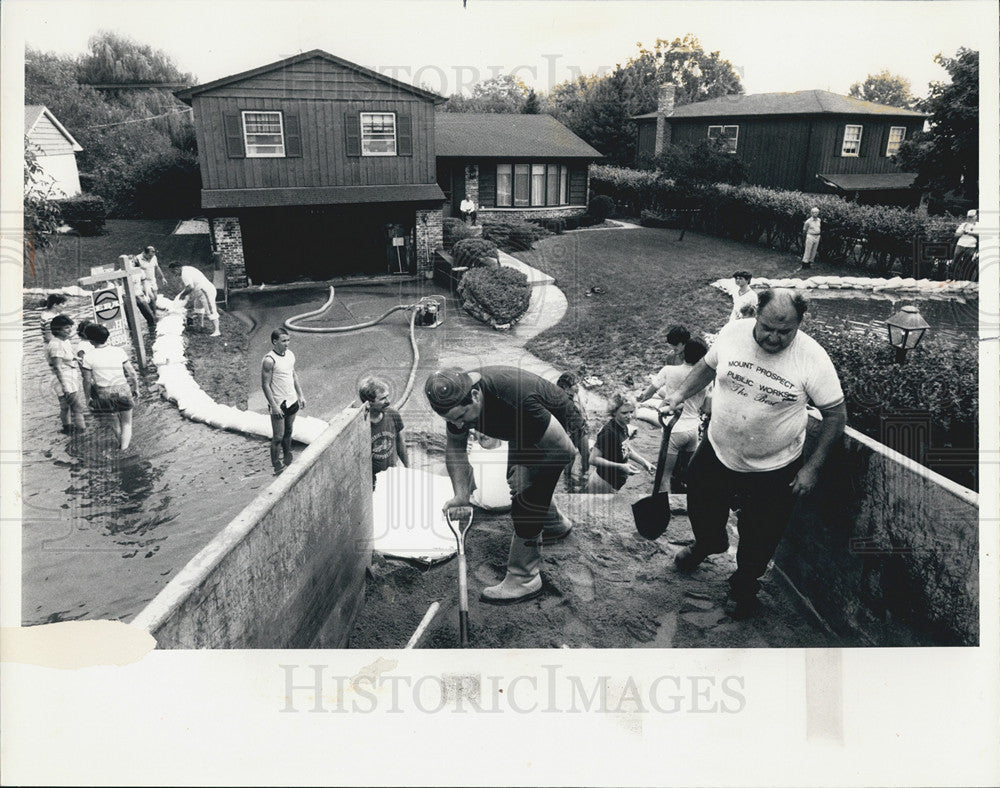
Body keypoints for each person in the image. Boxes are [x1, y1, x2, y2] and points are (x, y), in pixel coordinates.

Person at [660, 288, 846, 619]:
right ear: (756, 316)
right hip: (718, 450)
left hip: (775, 467)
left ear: (799, 324)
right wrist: (678, 395)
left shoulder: (813, 358)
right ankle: (708, 544)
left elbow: (836, 415)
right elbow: (706, 366)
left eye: (784, 331)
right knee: (701, 505)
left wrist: (813, 468)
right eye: (767, 328)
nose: (774, 338)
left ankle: (744, 584)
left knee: (760, 534)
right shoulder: (733, 333)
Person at [424, 366, 577, 604]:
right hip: (522, 427)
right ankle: (555, 524)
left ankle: (524, 579)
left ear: (475, 396)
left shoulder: (519, 403)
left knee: (526, 495)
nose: (459, 425)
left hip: (558, 427)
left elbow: (565, 451)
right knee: (514, 479)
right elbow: (455, 448)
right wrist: (461, 496)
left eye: (462, 417)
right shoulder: (457, 398)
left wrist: (528, 471)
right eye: (451, 420)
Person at [649, 339, 711, 496]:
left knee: (665, 477)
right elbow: (707, 408)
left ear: (683, 353)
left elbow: (653, 390)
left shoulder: (669, 370)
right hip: (693, 430)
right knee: (688, 475)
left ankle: (665, 511)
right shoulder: (705, 378)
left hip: (674, 428)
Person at [80, 324, 140, 451]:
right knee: (127, 423)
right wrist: (136, 388)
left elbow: (86, 380)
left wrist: (87, 398)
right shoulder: (118, 351)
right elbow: (132, 373)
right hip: (122, 389)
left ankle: (121, 446)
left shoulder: (88, 357)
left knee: (114, 423)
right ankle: (124, 449)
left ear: (90, 341)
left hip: (103, 393)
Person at [587, 392, 654, 493]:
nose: (629, 416)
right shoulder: (608, 432)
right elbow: (593, 459)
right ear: (614, 412)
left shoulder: (624, 426)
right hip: (603, 483)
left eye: (631, 412)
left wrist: (644, 462)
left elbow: (626, 449)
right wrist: (621, 466)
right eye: (624, 413)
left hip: (613, 482)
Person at [261, 328, 305, 475]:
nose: (287, 344)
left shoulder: (290, 355)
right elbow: (265, 384)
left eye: (288, 340)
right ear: (275, 342)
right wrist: (274, 406)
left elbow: (294, 376)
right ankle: (276, 466)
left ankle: (287, 458)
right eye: (284, 341)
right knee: (278, 437)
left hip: (292, 400)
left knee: (289, 431)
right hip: (279, 404)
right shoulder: (269, 360)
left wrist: (300, 395)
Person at [358, 376, 409, 489]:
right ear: (369, 403)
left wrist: (407, 467)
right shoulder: (361, 425)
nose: (388, 401)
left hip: (391, 473)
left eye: (387, 397)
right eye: (382, 399)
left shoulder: (393, 414)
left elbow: (401, 443)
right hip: (372, 481)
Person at [46, 315, 87, 433]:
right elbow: (57, 367)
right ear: (58, 330)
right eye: (66, 328)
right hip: (64, 379)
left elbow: (65, 357)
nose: (70, 330)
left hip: (69, 376)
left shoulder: (64, 341)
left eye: (70, 327)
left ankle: (68, 429)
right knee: (77, 407)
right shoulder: (56, 345)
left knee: (66, 407)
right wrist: (65, 386)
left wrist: (75, 358)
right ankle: (81, 432)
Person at [637, 325, 692, 402]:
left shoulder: (695, 357)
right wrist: (645, 394)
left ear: (685, 343)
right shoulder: (672, 356)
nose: (673, 347)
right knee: (660, 392)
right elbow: (662, 380)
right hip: (675, 394)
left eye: (676, 345)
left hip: (691, 393)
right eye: (671, 345)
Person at [556, 371, 590, 490]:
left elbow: (582, 411)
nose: (578, 386)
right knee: (571, 457)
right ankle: (567, 479)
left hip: (581, 428)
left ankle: (585, 475)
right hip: (570, 431)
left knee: (586, 454)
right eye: (575, 384)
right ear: (566, 387)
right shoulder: (562, 400)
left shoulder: (577, 395)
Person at [170, 263, 221, 336]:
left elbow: (190, 287)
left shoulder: (184, 274)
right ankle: (201, 326)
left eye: (173, 272)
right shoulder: (186, 268)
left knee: (210, 310)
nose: (174, 274)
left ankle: (217, 330)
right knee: (198, 308)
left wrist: (183, 295)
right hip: (199, 292)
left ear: (177, 269)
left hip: (206, 291)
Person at [952, 209, 978, 277]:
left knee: (967, 264)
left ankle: (965, 279)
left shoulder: (979, 225)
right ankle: (953, 278)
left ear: (976, 216)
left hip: (971, 247)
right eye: (969, 217)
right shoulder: (963, 225)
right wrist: (962, 232)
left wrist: (969, 233)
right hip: (960, 245)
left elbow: (980, 235)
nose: (970, 218)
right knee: (955, 262)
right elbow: (956, 235)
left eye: (972, 217)